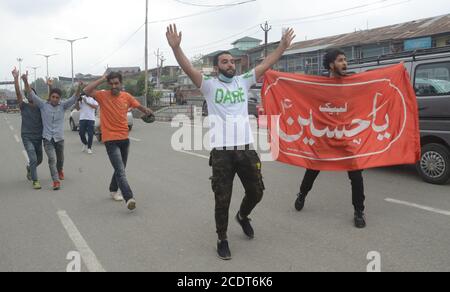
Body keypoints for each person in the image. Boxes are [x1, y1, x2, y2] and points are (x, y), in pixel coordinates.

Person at [166, 24, 296, 260]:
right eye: (225, 62)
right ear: (217, 67)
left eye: (232, 62)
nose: (230, 65)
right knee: (222, 199)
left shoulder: (243, 81)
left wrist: (283, 47)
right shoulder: (209, 85)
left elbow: (266, 64)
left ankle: (243, 216)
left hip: (246, 148)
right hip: (222, 153)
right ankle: (222, 238)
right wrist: (176, 49)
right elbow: (187, 68)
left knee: (257, 192)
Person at [294, 49, 367, 229]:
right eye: (341, 60)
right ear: (331, 65)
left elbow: (372, 86)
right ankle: (302, 194)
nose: (345, 63)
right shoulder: (319, 86)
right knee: (312, 169)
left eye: (345, 60)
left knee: (356, 175)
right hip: (325, 136)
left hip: (346, 138)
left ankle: (359, 211)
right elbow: (298, 92)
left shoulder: (353, 83)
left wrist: (396, 72)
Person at [83, 72, 153, 211]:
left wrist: (147, 111)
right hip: (110, 140)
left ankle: (113, 189)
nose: (114, 86)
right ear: (109, 84)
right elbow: (86, 90)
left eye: (116, 83)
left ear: (121, 83)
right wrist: (102, 78)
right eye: (111, 83)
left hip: (124, 139)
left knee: (120, 169)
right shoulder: (102, 96)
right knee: (120, 171)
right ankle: (129, 198)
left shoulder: (126, 96)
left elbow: (138, 106)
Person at [22, 74, 81, 190]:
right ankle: (56, 181)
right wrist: (25, 81)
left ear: (60, 98)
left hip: (59, 138)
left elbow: (74, 97)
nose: (55, 99)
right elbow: (32, 94)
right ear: (50, 97)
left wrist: (79, 87)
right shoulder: (43, 105)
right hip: (47, 139)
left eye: (57, 97)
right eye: (53, 97)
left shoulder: (63, 106)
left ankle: (60, 170)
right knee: (52, 159)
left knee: (60, 159)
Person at [11, 68, 43, 190]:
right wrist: (16, 78)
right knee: (33, 158)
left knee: (39, 159)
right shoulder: (23, 106)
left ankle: (30, 168)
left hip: (38, 136)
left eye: (32, 94)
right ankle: (35, 181)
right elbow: (18, 93)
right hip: (27, 136)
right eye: (28, 94)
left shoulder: (41, 107)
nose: (30, 95)